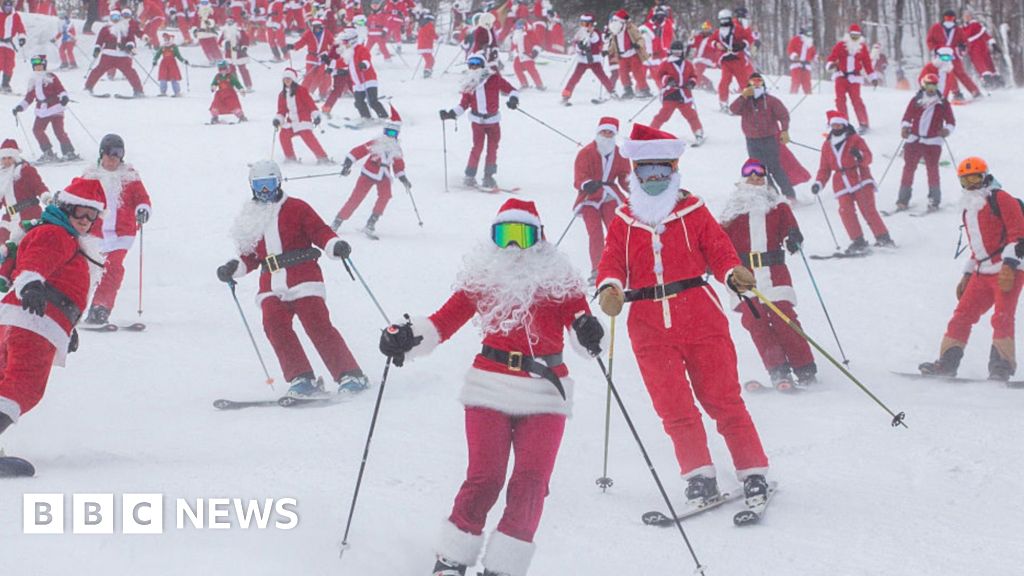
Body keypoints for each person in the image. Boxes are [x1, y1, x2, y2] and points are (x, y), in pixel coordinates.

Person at [378, 198, 604, 576]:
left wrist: (588, 331)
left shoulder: (560, 281)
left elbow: (584, 335)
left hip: (545, 393)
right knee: (485, 476)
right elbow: (442, 323)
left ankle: (503, 567)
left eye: (522, 235)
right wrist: (405, 337)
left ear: (540, 237)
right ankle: (452, 558)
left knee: (531, 484)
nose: (513, 247)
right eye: (504, 236)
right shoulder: (482, 280)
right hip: (489, 387)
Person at [595, 123, 770, 507]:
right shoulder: (624, 221)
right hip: (648, 325)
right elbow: (611, 263)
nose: (655, 178)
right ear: (635, 174)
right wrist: (610, 287)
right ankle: (699, 475)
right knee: (673, 407)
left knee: (723, 399)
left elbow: (720, 250)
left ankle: (753, 470)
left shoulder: (694, 211)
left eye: (662, 170)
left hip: (701, 318)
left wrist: (732, 273)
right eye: (646, 171)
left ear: (675, 170)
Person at [216, 160, 370, 398]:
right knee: (274, 326)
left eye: (268, 184)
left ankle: (350, 373)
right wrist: (233, 268)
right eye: (259, 186)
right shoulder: (250, 216)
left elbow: (320, 231)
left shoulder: (297, 208)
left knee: (316, 324)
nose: (264, 191)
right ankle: (301, 377)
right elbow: (250, 256)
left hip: (303, 277)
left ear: (278, 182)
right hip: (270, 284)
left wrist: (334, 245)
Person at [0, 177, 106, 436]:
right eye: (81, 211)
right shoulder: (55, 233)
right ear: (67, 207)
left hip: (27, 319)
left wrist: (68, 325)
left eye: (92, 215)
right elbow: (35, 263)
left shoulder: (63, 235)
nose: (85, 219)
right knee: (25, 385)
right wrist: (31, 285)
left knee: (7, 379)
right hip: (34, 320)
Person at [919, 157, 1024, 382]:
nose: (972, 185)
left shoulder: (1001, 199)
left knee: (1002, 317)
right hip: (982, 271)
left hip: (1009, 270)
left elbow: (1019, 234)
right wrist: (967, 274)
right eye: (966, 181)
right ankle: (947, 364)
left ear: (985, 176)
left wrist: (1010, 265)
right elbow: (977, 247)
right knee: (962, 315)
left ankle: (1001, 366)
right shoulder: (969, 209)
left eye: (976, 178)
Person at [720, 158, 816, 390]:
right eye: (750, 174)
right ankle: (778, 370)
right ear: (743, 178)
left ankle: (804, 367)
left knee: (784, 318)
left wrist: (793, 237)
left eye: (760, 174)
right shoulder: (732, 209)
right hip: (744, 277)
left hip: (774, 272)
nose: (755, 178)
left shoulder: (777, 205)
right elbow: (718, 242)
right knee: (756, 321)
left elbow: (790, 228)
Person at [82, 134, 151, 325]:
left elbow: (142, 198)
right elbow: (76, 196)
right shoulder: (91, 176)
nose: (113, 158)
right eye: (109, 154)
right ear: (101, 154)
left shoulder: (129, 176)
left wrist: (142, 210)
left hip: (121, 234)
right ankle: (73, 307)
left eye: (118, 154)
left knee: (112, 269)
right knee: (86, 271)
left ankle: (100, 308)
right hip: (95, 234)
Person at [811, 110, 893, 254]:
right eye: (833, 125)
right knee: (845, 211)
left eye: (839, 125)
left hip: (859, 178)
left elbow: (868, 158)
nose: (836, 128)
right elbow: (824, 169)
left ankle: (883, 237)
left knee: (868, 209)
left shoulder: (855, 139)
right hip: (841, 183)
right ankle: (858, 240)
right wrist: (819, 183)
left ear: (844, 125)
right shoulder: (827, 145)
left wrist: (859, 156)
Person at [440, 54, 518, 190]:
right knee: (477, 147)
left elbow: (512, 90)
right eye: (471, 64)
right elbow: (463, 104)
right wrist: (450, 114)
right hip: (477, 122)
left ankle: (489, 176)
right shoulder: (469, 84)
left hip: (493, 121)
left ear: (483, 65)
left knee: (492, 148)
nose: (474, 66)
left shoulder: (494, 79)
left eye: (477, 63)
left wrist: (513, 100)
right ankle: (469, 176)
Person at [332, 107, 409, 238]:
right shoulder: (375, 143)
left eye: (393, 134)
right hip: (368, 173)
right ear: (384, 132)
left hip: (384, 176)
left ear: (397, 135)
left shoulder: (396, 149)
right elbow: (359, 151)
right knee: (356, 198)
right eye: (388, 132)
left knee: (385, 196)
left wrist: (403, 178)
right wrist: (348, 163)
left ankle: (371, 223)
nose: (390, 136)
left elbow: (398, 165)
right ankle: (337, 221)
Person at [730, 73, 804, 200]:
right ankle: (773, 197)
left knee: (775, 168)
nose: (756, 85)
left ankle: (789, 195)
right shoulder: (745, 102)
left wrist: (784, 131)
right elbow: (733, 109)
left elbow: (784, 115)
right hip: (752, 140)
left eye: (759, 81)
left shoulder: (770, 100)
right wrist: (742, 97)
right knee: (760, 171)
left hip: (769, 138)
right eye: (753, 82)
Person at [573, 117, 629, 281]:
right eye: (604, 131)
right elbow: (578, 177)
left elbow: (625, 176)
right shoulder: (586, 152)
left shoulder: (620, 154)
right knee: (595, 233)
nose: (606, 135)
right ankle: (597, 269)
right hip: (590, 198)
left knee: (615, 232)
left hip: (611, 196)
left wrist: (635, 188)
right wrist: (586, 184)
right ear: (598, 132)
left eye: (610, 132)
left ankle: (617, 266)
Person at [896, 73, 955, 212]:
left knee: (932, 169)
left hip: (933, 142)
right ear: (924, 85)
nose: (931, 88)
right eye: (929, 85)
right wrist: (905, 127)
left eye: (934, 85)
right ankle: (903, 199)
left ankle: (934, 200)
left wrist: (946, 130)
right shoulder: (916, 100)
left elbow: (951, 122)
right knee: (908, 168)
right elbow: (906, 117)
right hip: (914, 140)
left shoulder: (942, 102)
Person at [13, 55, 79, 163]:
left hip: (55, 107)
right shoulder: (32, 81)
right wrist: (19, 107)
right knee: (37, 130)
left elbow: (60, 89)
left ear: (44, 66)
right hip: (42, 110)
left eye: (40, 66)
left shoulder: (51, 77)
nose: (38, 68)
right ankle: (48, 152)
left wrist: (64, 97)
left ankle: (69, 152)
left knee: (58, 131)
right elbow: (29, 98)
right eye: (36, 67)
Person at [825, 24, 876, 133]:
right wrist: (831, 64)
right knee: (840, 100)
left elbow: (867, 63)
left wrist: (872, 77)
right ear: (849, 35)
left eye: (856, 36)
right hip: (841, 76)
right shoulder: (840, 45)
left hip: (855, 78)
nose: (854, 38)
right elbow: (832, 57)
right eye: (852, 36)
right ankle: (843, 122)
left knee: (857, 100)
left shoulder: (862, 47)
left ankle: (863, 122)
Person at [652, 40, 703, 145]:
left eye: (679, 51)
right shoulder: (666, 63)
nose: (677, 53)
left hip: (684, 94)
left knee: (691, 115)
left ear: (682, 52)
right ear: (671, 51)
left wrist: (692, 83)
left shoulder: (687, 64)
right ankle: (651, 131)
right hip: (670, 93)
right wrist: (668, 80)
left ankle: (698, 132)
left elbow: (694, 75)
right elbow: (659, 76)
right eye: (674, 51)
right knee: (663, 115)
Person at [273, 68, 330, 164]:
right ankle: (290, 157)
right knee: (283, 135)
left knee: (307, 137)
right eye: (285, 79)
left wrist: (316, 116)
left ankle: (322, 157)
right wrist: (278, 119)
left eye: (289, 78)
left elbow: (310, 104)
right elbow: (281, 110)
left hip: (303, 120)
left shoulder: (301, 90)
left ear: (293, 80)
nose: (287, 81)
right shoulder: (282, 94)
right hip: (291, 122)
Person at [84, 11, 145, 97]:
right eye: (113, 17)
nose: (115, 19)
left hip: (122, 55)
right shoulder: (105, 28)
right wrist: (97, 48)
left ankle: (138, 90)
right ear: (110, 17)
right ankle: (88, 87)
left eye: (117, 17)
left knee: (130, 72)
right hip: (108, 54)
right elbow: (100, 40)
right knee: (98, 70)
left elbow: (131, 39)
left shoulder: (126, 28)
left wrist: (129, 46)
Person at [560, 13, 615, 105]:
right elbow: (576, 44)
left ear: (592, 24)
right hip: (583, 60)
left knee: (602, 76)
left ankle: (612, 92)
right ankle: (566, 95)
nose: (584, 26)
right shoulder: (580, 32)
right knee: (575, 78)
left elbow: (598, 41)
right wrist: (580, 47)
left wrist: (591, 35)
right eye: (582, 24)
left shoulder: (596, 33)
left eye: (586, 24)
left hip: (594, 60)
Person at [926, 9, 981, 101]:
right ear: (943, 18)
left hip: (953, 54)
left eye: (951, 18)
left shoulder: (958, 29)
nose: (949, 20)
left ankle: (975, 91)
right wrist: (935, 48)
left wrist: (962, 46)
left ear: (954, 19)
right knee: (949, 73)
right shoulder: (935, 27)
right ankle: (956, 93)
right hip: (941, 55)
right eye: (947, 17)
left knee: (961, 73)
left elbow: (965, 41)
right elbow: (929, 40)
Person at [0, 139, 47, 243]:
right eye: (4, 158)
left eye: (9, 158)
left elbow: (38, 186)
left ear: (15, 158)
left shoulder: (25, 171)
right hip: (10, 216)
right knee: (3, 242)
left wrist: (45, 196)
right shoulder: (1, 176)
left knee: (27, 241)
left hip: (29, 213)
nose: (7, 161)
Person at [338, 27, 388, 124]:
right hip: (357, 82)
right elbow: (342, 62)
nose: (344, 44)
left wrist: (364, 64)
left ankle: (384, 117)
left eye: (345, 41)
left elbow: (366, 59)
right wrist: (330, 64)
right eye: (343, 42)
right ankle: (366, 117)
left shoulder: (361, 49)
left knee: (372, 101)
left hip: (368, 80)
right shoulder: (348, 51)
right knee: (358, 103)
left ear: (352, 40)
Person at [711, 8, 753, 112]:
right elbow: (711, 41)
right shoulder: (718, 32)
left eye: (726, 20)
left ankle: (750, 103)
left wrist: (742, 44)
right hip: (726, 61)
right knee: (724, 82)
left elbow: (748, 38)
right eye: (722, 20)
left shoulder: (738, 29)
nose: (724, 22)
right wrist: (716, 44)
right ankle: (723, 103)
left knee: (743, 82)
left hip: (738, 59)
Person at [606, 9, 649, 99]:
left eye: (616, 20)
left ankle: (644, 89)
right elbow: (614, 43)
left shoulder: (630, 28)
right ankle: (628, 90)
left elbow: (640, 38)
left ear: (621, 21)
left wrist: (638, 44)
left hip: (633, 54)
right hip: (622, 56)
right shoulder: (615, 30)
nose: (614, 22)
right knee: (623, 73)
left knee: (638, 73)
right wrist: (608, 51)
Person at [962, 10, 1003, 89]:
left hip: (980, 50)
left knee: (984, 66)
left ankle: (992, 84)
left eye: (968, 16)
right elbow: (963, 39)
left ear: (971, 17)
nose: (966, 18)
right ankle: (995, 83)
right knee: (986, 66)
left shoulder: (975, 25)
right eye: (965, 16)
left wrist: (993, 45)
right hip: (975, 51)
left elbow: (985, 35)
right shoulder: (964, 28)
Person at [219, 18, 253, 92]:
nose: (229, 23)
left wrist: (243, 47)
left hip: (239, 54)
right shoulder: (224, 32)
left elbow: (245, 40)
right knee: (231, 71)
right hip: (229, 55)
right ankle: (236, 86)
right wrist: (225, 44)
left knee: (243, 70)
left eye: (231, 21)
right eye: (228, 22)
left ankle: (248, 86)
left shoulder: (239, 31)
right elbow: (220, 42)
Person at [209, 59, 247, 124]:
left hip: (230, 94)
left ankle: (241, 116)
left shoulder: (230, 76)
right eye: (220, 69)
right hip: (220, 94)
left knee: (234, 105)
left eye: (224, 69)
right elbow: (214, 83)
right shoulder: (218, 77)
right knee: (216, 105)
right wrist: (213, 86)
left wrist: (241, 89)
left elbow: (237, 83)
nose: (222, 71)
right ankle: (215, 117)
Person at [510, 19, 543, 90]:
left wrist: (535, 52)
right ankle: (524, 83)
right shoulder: (516, 34)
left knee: (531, 70)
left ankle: (539, 84)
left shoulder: (530, 32)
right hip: (519, 55)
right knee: (516, 67)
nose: (520, 28)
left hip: (528, 54)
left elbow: (537, 43)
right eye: (518, 26)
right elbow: (514, 45)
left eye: (521, 26)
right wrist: (512, 52)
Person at [0, 0, 25, 93]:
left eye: (10, 5)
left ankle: (5, 84)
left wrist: (22, 37)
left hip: (8, 43)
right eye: (6, 5)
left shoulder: (15, 16)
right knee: (0, 61)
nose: (8, 7)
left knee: (9, 64)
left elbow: (20, 27)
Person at [153, 32, 187, 97]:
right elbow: (157, 55)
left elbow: (178, 55)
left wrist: (183, 60)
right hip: (164, 64)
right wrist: (155, 60)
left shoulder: (174, 47)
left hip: (172, 64)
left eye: (167, 39)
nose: (166, 41)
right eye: (165, 39)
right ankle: (163, 92)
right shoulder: (163, 47)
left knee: (173, 77)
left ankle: (177, 92)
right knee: (163, 77)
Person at [688, 20, 718, 91]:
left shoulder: (713, 38)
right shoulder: (699, 37)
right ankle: (707, 83)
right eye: (704, 28)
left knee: (698, 72)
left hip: (706, 60)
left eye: (707, 28)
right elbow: (692, 44)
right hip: (698, 59)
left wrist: (715, 59)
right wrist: (691, 37)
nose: (705, 30)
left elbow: (716, 49)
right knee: (694, 73)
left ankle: (697, 86)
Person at [787, 26, 815, 95]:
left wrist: (817, 58)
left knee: (807, 83)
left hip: (806, 66)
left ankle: (809, 97)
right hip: (797, 64)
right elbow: (790, 49)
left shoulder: (810, 42)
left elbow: (813, 53)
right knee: (796, 81)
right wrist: (794, 55)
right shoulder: (795, 40)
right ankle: (793, 95)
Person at [416, 10, 437, 78]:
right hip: (426, 46)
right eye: (432, 20)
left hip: (423, 46)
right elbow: (431, 34)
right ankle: (427, 72)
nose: (433, 22)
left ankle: (428, 71)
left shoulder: (423, 26)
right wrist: (438, 38)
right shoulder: (429, 25)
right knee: (430, 60)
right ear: (430, 20)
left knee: (430, 60)